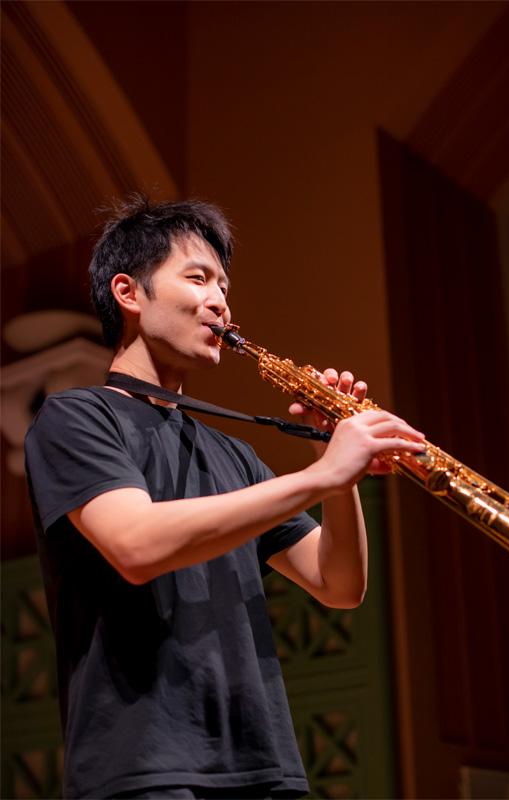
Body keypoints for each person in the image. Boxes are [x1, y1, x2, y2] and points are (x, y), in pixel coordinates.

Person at [24, 197, 425, 800]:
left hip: (264, 767)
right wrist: (320, 477)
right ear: (129, 294)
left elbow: (339, 583)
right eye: (197, 278)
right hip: (143, 768)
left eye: (224, 286)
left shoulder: (236, 457)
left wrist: (331, 462)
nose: (220, 302)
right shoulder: (76, 418)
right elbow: (134, 543)